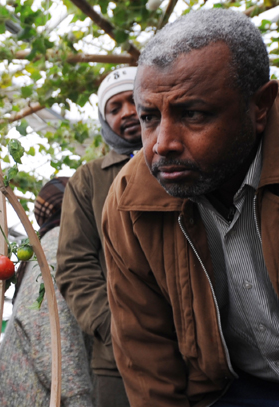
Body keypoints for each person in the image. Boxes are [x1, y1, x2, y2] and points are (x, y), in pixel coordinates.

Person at [102, 9, 279, 407]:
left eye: (193, 114)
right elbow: (144, 348)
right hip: (230, 389)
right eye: (150, 117)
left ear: (261, 106)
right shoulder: (131, 200)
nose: (162, 144)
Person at [56, 66, 141, 407]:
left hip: (203, 356)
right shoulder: (89, 179)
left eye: (134, 100)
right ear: (104, 120)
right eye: (115, 107)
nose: (129, 112)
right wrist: (113, 328)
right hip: (119, 361)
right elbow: (74, 264)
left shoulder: (187, 160)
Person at [0, 177, 93, 407]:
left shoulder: (47, 241)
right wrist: (79, 397)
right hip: (38, 394)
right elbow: (49, 323)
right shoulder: (60, 240)